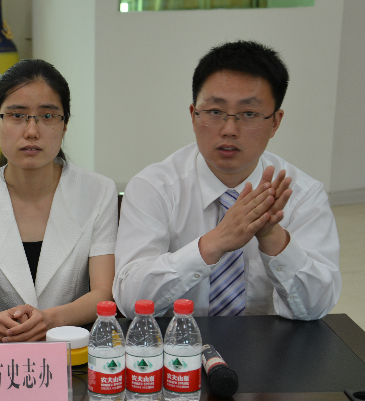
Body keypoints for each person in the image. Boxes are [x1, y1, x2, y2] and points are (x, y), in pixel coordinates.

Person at [114, 41, 341, 320]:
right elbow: (130, 301)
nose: (229, 129)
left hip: (270, 344)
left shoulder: (302, 194)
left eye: (249, 114)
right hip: (178, 341)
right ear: (193, 116)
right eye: (215, 112)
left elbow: (317, 307)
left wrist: (274, 238)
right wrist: (213, 244)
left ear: (275, 122)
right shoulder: (154, 187)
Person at [0, 59, 118, 342]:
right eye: (17, 115)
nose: (31, 131)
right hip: (1, 348)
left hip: (74, 349)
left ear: (65, 126)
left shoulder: (99, 192)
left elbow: (104, 293)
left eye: (47, 116)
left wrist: (50, 321)